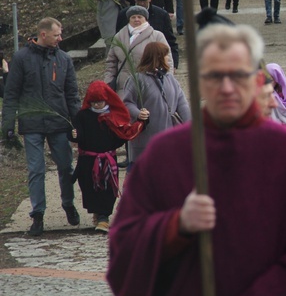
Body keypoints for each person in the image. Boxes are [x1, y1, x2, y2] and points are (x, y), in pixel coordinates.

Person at [107, 23, 286, 296]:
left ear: (256, 80)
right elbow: (124, 248)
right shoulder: (165, 156)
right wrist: (175, 226)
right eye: (215, 76)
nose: (227, 87)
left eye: (238, 75)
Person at [1, 18, 82, 236]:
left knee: (65, 166)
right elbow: (11, 95)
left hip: (58, 123)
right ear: (43, 34)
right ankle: (37, 214)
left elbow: (72, 95)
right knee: (36, 169)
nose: (60, 38)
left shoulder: (64, 59)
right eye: (57, 35)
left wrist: (79, 123)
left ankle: (68, 203)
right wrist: (7, 125)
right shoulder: (21, 59)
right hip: (32, 123)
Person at [71, 81, 149, 232]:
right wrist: (74, 135)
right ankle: (98, 213)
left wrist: (142, 122)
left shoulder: (113, 116)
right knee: (89, 189)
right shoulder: (82, 116)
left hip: (107, 161)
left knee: (107, 189)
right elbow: (78, 135)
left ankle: (103, 217)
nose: (98, 105)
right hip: (87, 161)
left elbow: (123, 135)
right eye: (94, 102)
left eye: (100, 101)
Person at [123, 42, 190, 166]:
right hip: (145, 142)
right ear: (158, 57)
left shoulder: (170, 80)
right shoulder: (137, 80)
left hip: (169, 142)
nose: (168, 58)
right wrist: (138, 113)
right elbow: (127, 103)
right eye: (166, 55)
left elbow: (182, 104)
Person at [105, 5, 173, 96]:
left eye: (140, 17)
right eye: (133, 17)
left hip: (150, 83)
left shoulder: (156, 36)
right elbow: (111, 62)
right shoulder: (119, 37)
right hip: (124, 85)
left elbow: (167, 59)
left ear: (146, 19)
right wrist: (108, 80)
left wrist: (168, 79)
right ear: (129, 19)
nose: (136, 19)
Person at [115, 0, 179, 69]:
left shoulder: (161, 15)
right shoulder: (123, 15)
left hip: (156, 62)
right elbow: (118, 41)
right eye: (138, 0)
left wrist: (174, 64)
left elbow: (170, 40)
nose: (141, 3)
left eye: (144, 0)